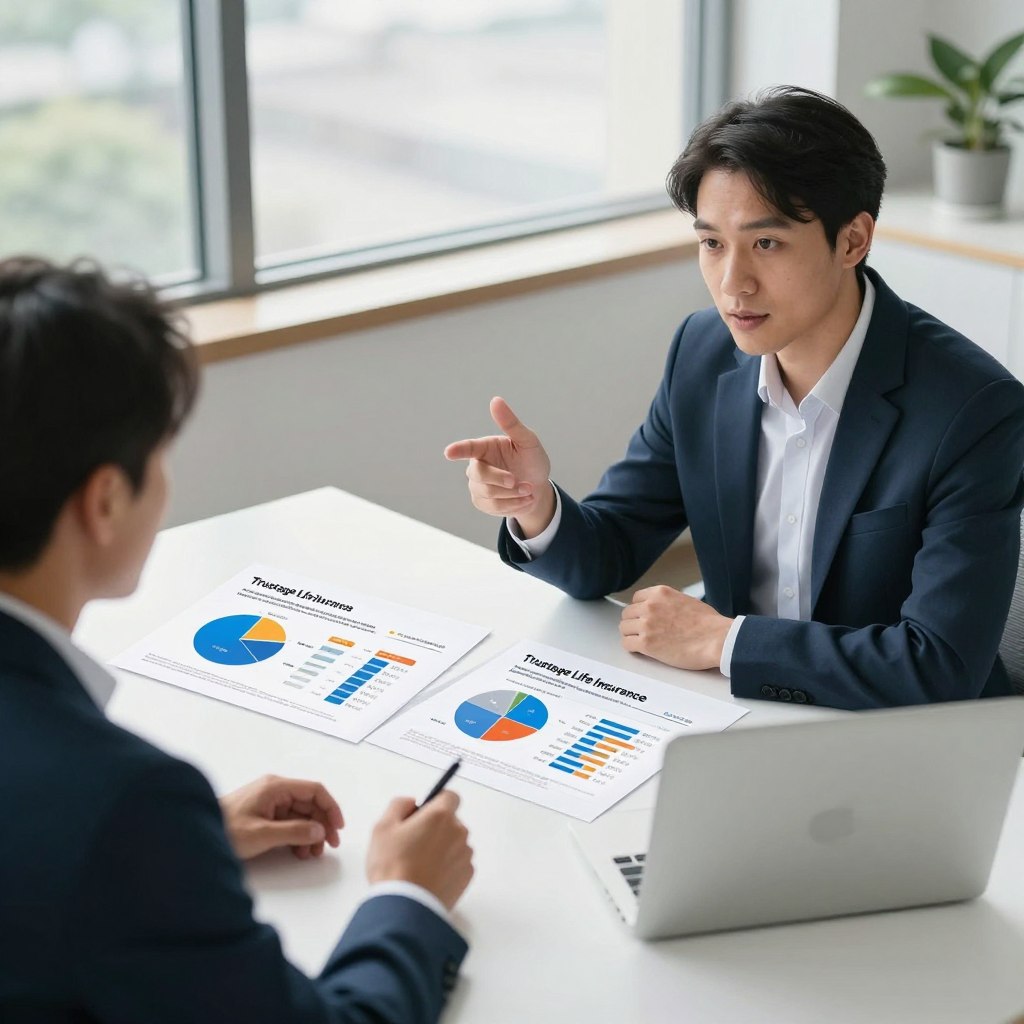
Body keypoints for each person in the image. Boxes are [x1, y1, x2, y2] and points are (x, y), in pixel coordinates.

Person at [0, 257, 473, 1023]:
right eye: (160, 455)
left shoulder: (121, 820)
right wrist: (406, 895)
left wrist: (192, 845)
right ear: (106, 500)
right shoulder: (127, 804)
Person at [445, 86, 1024, 712]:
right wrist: (536, 507)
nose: (732, 284)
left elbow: (940, 666)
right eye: (712, 243)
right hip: (734, 708)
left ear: (854, 239)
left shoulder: (975, 409)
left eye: (766, 244)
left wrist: (726, 644)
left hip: (902, 738)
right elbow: (610, 553)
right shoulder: (702, 353)